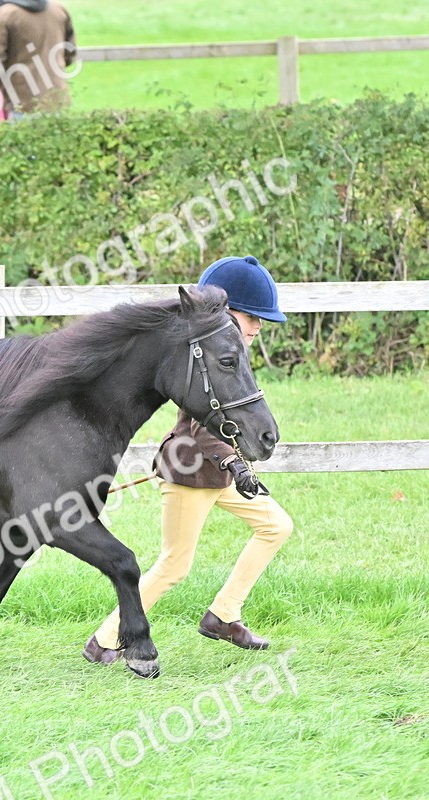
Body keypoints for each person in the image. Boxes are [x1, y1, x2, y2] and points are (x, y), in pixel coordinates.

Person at [84, 256, 296, 665]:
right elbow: (201, 427)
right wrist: (237, 464)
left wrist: (237, 466)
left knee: (276, 526)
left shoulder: (229, 354)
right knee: (174, 565)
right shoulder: (203, 356)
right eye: (252, 317)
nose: (257, 327)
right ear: (225, 313)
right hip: (189, 474)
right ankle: (105, 640)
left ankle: (224, 615)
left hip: (220, 475)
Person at [0, 0, 74, 116]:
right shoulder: (59, 10)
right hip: (57, 95)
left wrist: (4, 87)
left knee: (22, 132)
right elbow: (70, 50)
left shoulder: (6, 14)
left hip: (21, 97)